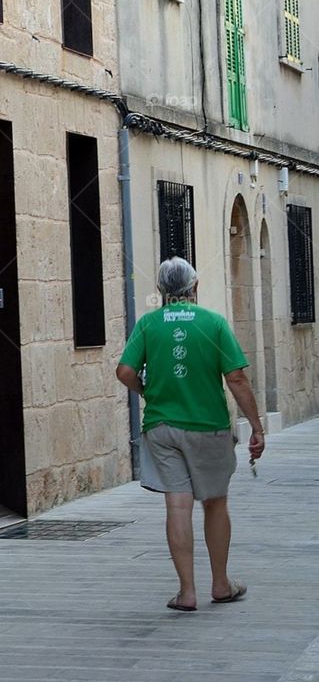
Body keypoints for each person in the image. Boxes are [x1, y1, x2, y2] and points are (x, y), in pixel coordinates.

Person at [116, 256, 265, 612]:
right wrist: (257, 427)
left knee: (177, 505)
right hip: (207, 427)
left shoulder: (148, 324)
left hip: (162, 427)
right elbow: (236, 378)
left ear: (160, 290)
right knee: (215, 502)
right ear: (194, 287)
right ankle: (221, 584)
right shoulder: (213, 323)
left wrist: (147, 392)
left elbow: (124, 372)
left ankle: (186, 592)